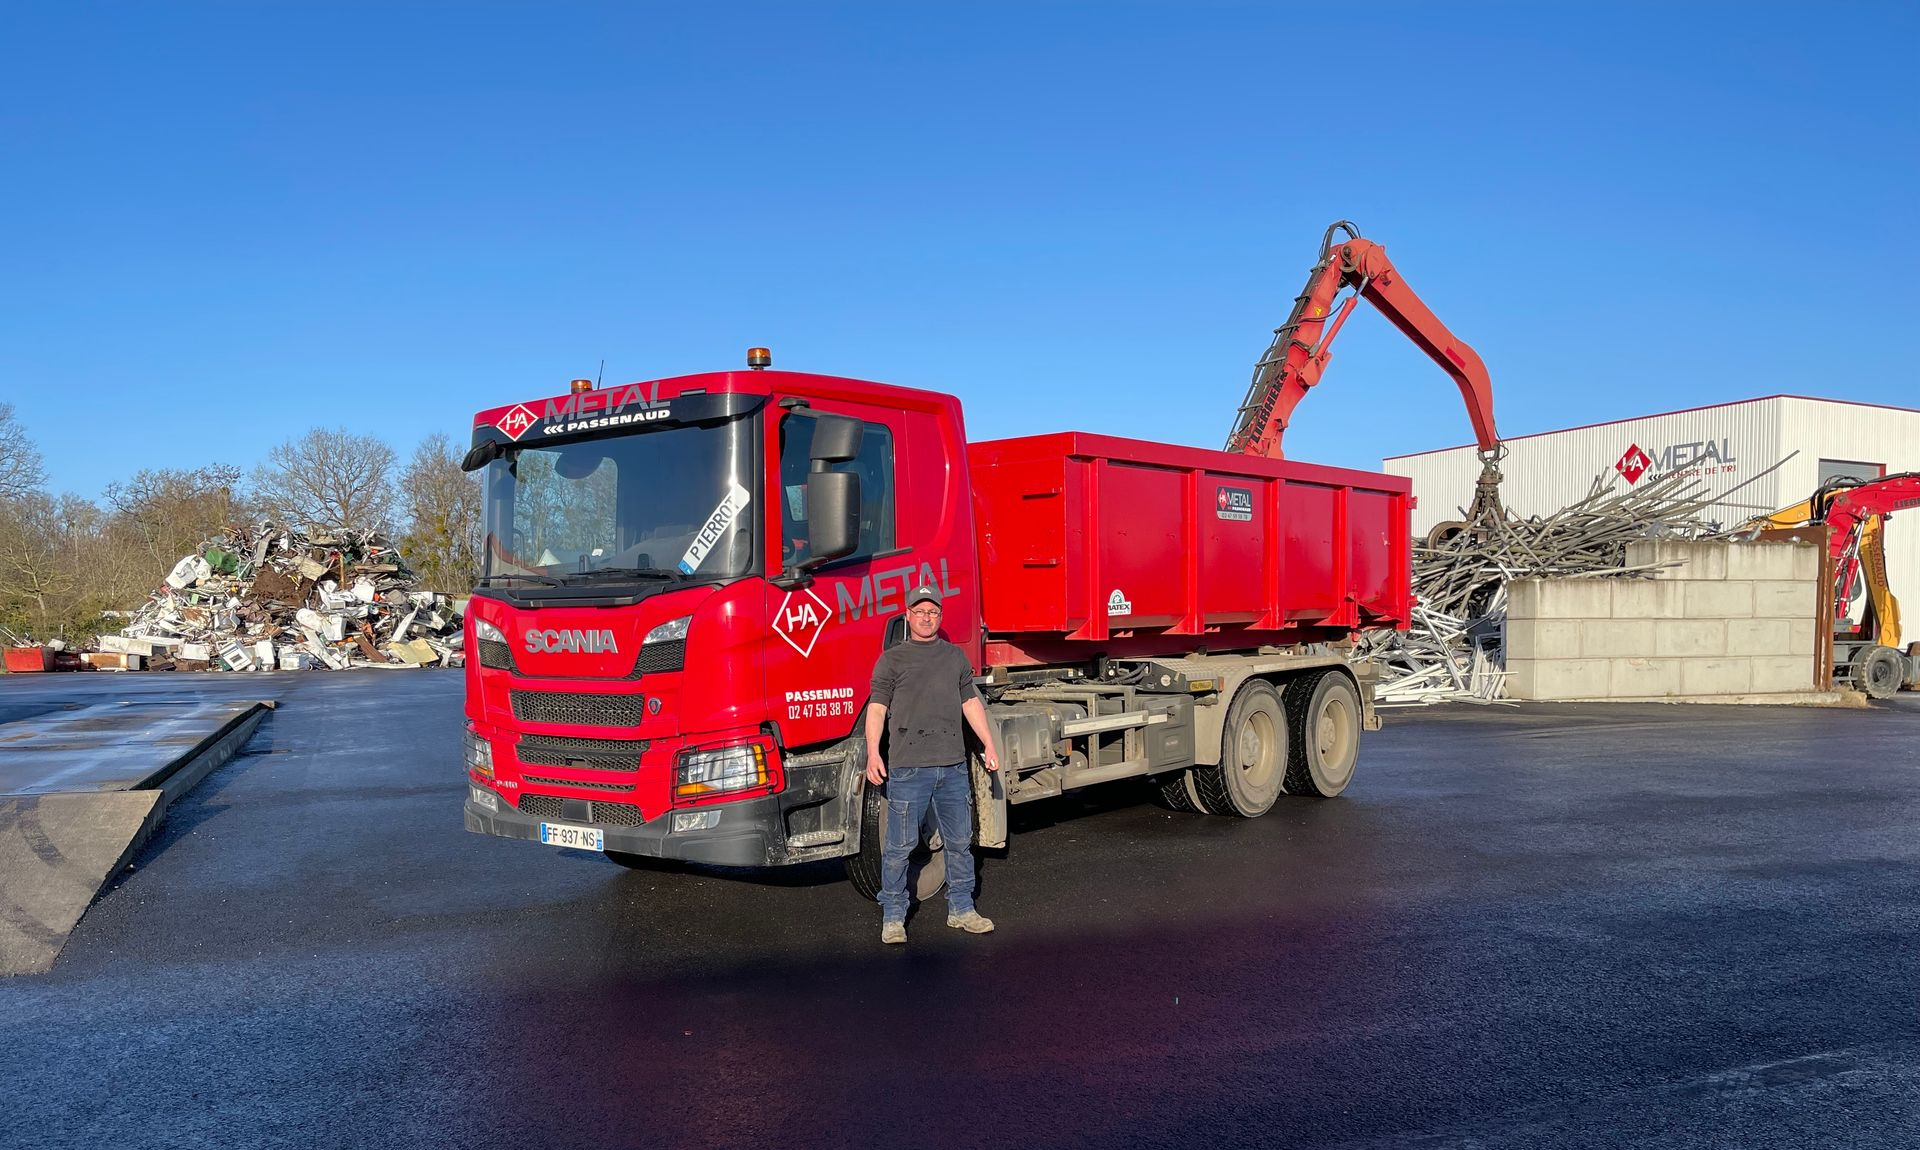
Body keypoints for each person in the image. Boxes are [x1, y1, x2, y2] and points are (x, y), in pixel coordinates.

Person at [864, 583, 999, 944]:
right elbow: (877, 709)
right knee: (899, 846)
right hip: (908, 769)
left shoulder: (954, 657)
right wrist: (873, 753)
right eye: (920, 611)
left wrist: (988, 743)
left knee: (959, 842)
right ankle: (893, 916)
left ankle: (962, 909)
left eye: (933, 612)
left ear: (940, 616)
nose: (927, 617)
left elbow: (970, 703)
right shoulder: (892, 660)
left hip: (952, 766)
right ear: (907, 616)